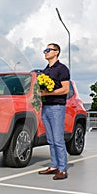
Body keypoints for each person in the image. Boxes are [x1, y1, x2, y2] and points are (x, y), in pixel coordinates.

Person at [38, 43, 70, 180]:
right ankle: (53, 166)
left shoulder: (62, 69)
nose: (45, 52)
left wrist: (46, 94)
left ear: (56, 52)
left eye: (48, 50)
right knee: (50, 139)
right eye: (44, 50)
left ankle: (62, 170)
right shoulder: (45, 70)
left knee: (57, 139)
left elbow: (65, 89)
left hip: (57, 107)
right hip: (46, 107)